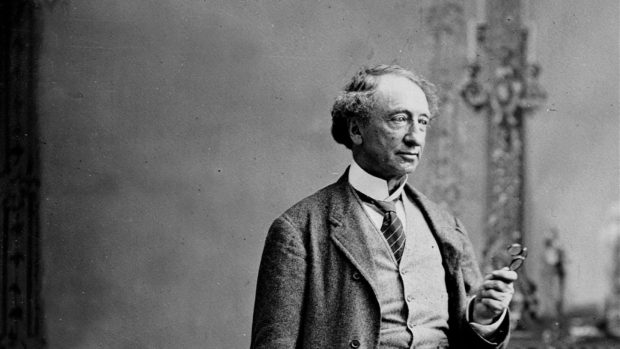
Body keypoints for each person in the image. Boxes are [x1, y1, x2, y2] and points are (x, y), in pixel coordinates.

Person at [251, 64, 517, 348]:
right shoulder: (299, 230)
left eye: (423, 122)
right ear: (356, 130)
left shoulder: (446, 227)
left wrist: (484, 317)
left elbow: (470, 343)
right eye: (400, 119)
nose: (415, 137)